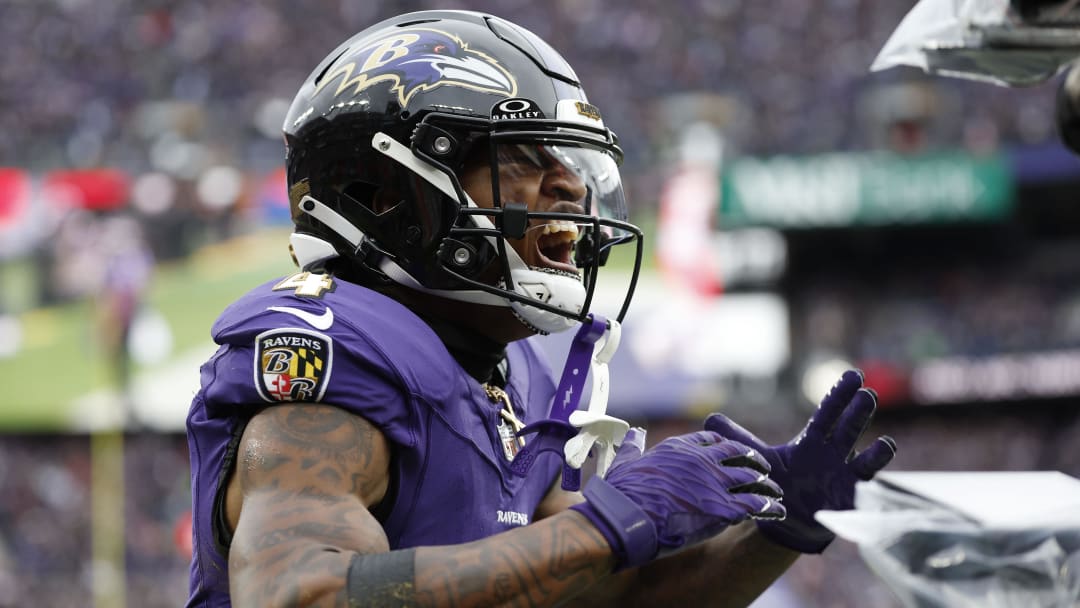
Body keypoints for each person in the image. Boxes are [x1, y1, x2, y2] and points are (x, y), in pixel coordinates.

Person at [185, 10, 897, 607]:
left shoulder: (510, 371)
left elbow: (600, 596)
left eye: (572, 169)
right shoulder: (336, 356)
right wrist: (607, 524)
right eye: (522, 159)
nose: (571, 194)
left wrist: (780, 532)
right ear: (385, 200)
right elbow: (300, 594)